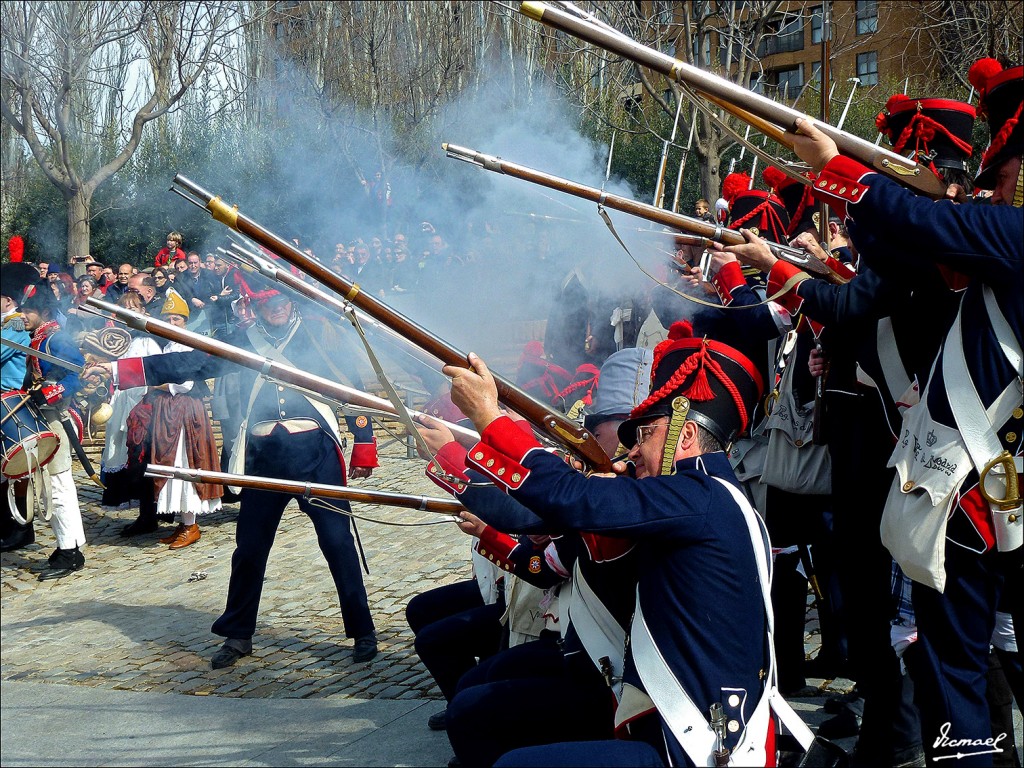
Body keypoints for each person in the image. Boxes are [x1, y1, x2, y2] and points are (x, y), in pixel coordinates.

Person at [764, 61, 1022, 765]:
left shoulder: (1002, 237)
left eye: (1004, 170)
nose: (995, 185)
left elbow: (896, 252)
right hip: (986, 480)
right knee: (965, 654)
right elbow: (904, 240)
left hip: (969, 482)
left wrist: (839, 169)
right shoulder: (985, 239)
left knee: (955, 667)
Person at [442, 323, 807, 767]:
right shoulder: (704, 494)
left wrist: (489, 417)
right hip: (670, 723)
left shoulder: (697, 496)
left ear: (684, 436)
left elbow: (572, 500)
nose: (631, 452)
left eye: (645, 435)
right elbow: (545, 512)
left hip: (694, 745)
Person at [89, 286, 382, 666]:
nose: (275, 308)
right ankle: (238, 633)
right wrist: (115, 370)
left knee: (337, 542)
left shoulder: (318, 332)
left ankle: (362, 629)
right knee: (250, 548)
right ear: (257, 306)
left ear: (290, 302)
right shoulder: (242, 340)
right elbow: (187, 363)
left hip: (316, 452)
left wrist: (364, 442)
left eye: (280, 301)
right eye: (267, 302)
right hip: (264, 455)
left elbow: (353, 387)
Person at [138, 292, 222, 549]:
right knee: (170, 463)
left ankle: (191, 524)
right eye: (168, 319)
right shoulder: (169, 347)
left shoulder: (187, 346)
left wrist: (155, 387)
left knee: (185, 461)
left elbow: (184, 384)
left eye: (176, 319)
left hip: (185, 412)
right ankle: (183, 522)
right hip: (169, 411)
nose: (172, 323)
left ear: (185, 322)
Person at [18, 286, 88, 579]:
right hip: (43, 419)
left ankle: (70, 551)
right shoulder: (39, 339)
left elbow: (78, 371)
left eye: (28, 311)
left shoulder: (56, 339)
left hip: (57, 418)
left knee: (58, 485)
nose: (23, 316)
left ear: (44, 312)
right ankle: (67, 545)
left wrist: (53, 391)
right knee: (50, 485)